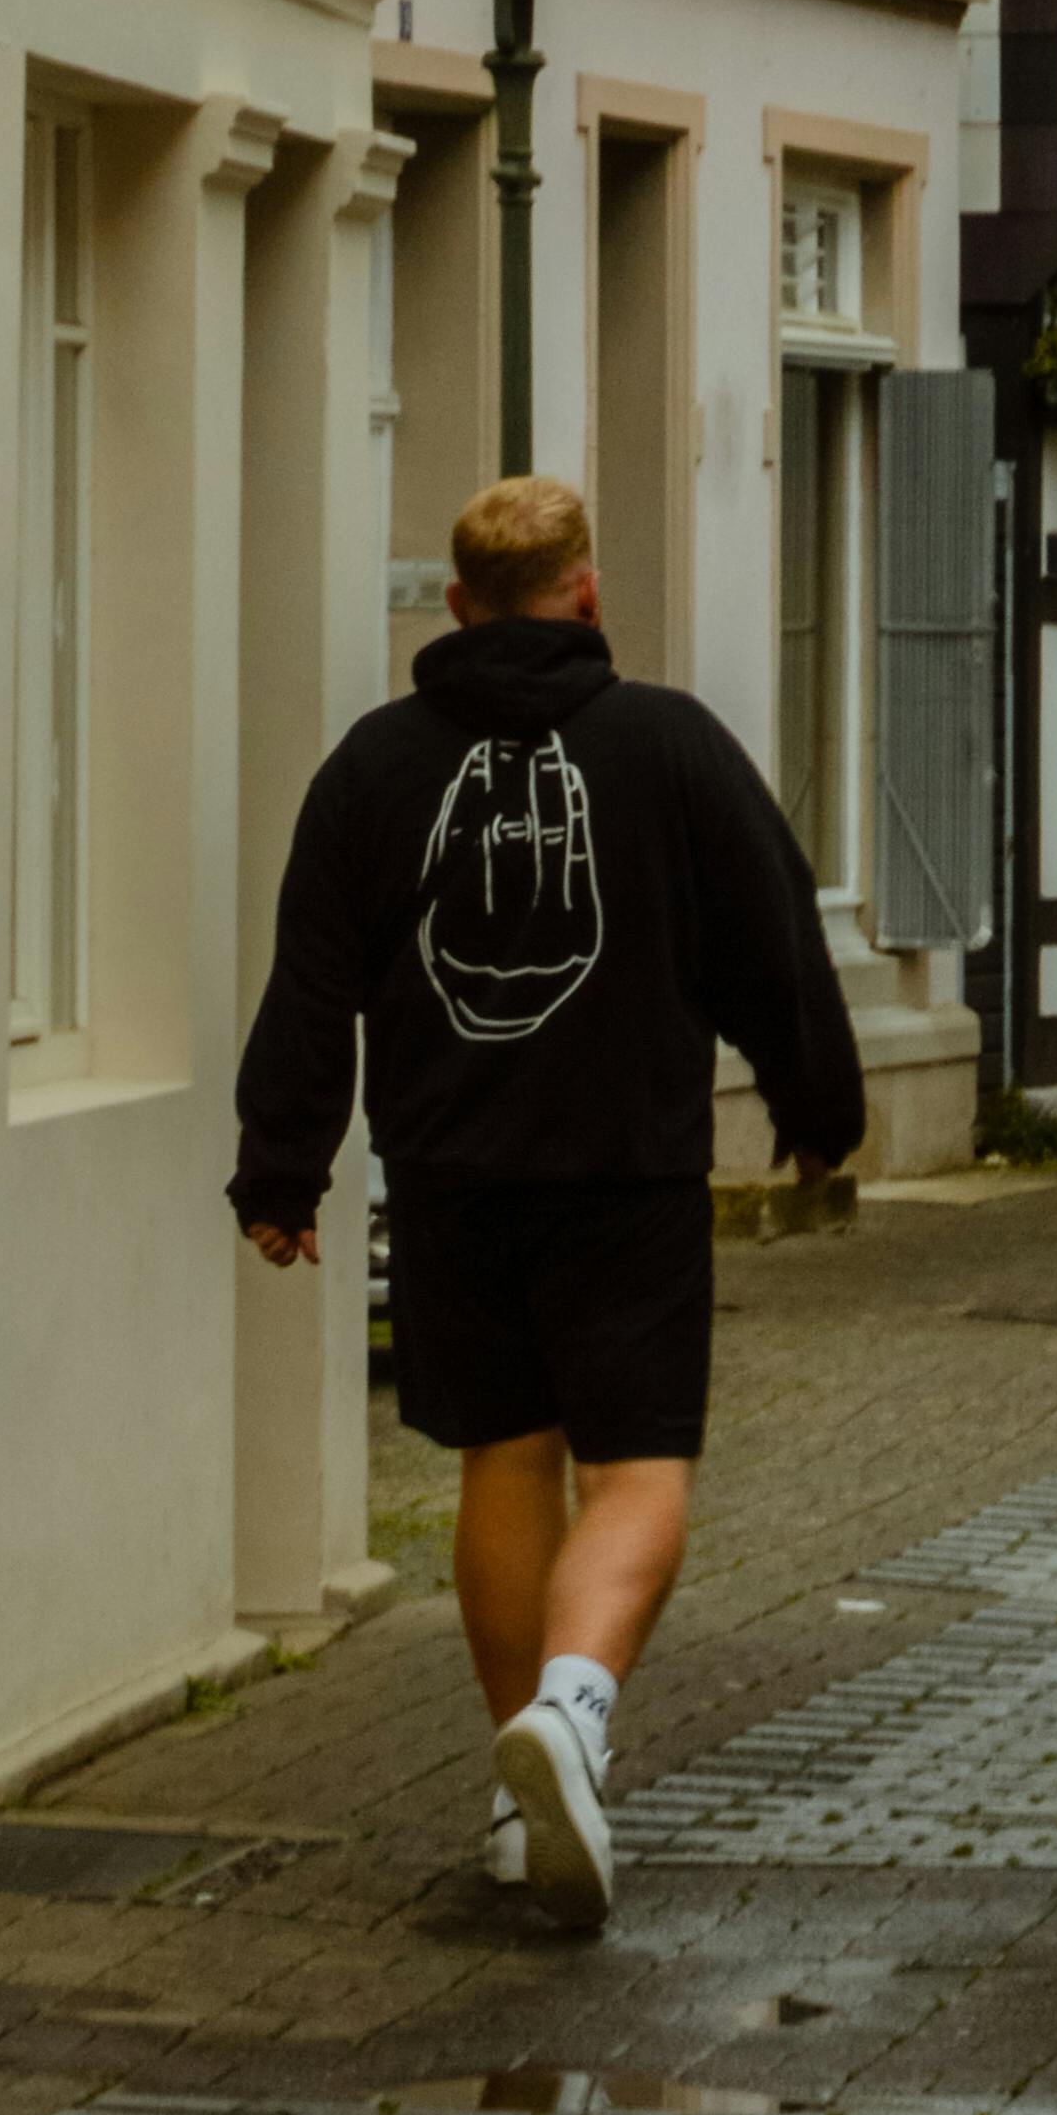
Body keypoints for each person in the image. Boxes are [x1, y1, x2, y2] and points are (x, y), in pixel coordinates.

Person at [229, 472, 863, 1932]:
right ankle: (575, 1717)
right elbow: (773, 938)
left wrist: (282, 1168)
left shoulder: (372, 770)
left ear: (456, 608)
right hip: (625, 1171)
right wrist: (818, 1113)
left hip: (452, 1179)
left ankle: (524, 1806)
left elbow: (313, 976)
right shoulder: (672, 747)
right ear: (587, 591)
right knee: (636, 1469)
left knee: (503, 1464)